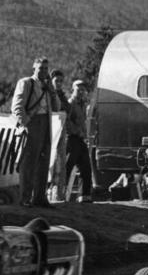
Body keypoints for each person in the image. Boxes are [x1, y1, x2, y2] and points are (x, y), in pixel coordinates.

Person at [11, 56, 59, 207]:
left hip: (46, 123)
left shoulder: (47, 87)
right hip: (33, 123)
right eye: (41, 68)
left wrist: (52, 91)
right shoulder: (26, 83)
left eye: (46, 69)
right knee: (29, 163)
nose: (44, 71)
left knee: (43, 161)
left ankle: (40, 197)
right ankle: (25, 197)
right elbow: (17, 107)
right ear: (34, 69)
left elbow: (57, 107)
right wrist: (25, 124)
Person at [62, 78, 95, 203]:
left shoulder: (83, 104)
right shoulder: (70, 104)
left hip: (81, 139)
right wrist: (76, 130)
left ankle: (84, 195)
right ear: (72, 90)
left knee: (86, 167)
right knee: (68, 167)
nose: (81, 91)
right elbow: (67, 121)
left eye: (83, 89)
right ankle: (61, 194)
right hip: (72, 139)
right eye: (78, 89)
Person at [47, 69, 71, 200]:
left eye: (61, 81)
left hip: (61, 132)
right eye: (57, 81)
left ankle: (58, 194)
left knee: (60, 163)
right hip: (50, 132)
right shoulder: (48, 94)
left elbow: (67, 110)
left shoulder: (62, 95)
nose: (59, 84)